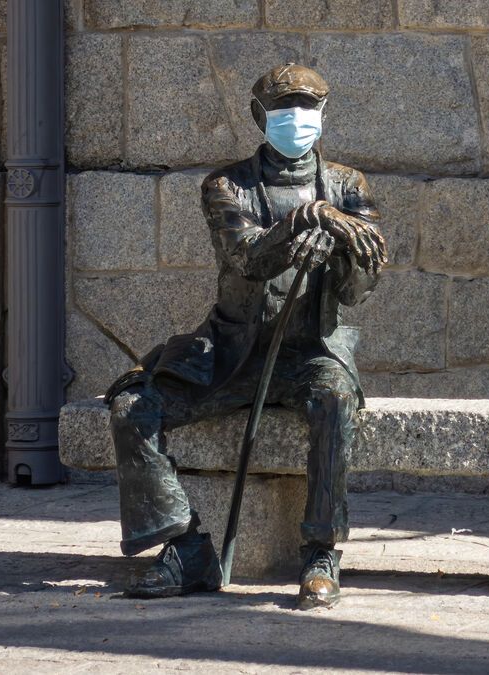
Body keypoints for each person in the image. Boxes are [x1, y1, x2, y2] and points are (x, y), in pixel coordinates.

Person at [103, 63, 387, 610]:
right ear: (259, 117)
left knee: (333, 399)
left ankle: (322, 553)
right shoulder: (226, 185)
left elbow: (358, 290)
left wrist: (348, 250)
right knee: (133, 408)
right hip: (233, 355)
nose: (296, 120)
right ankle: (187, 550)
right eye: (283, 111)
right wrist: (308, 218)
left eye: (307, 109)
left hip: (313, 352)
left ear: (324, 115)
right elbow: (247, 257)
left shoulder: (350, 185)